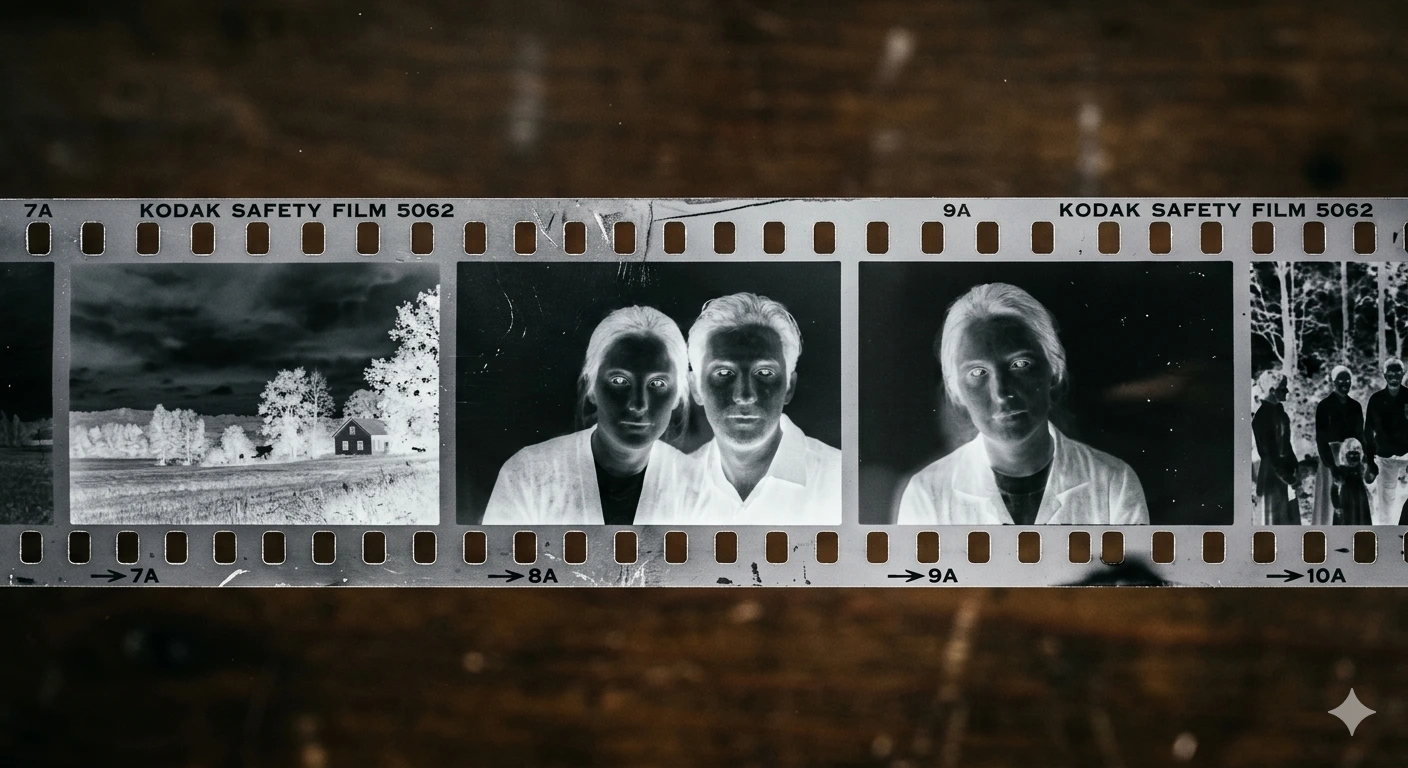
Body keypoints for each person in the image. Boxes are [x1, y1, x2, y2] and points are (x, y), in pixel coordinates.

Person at [897, 283, 1149, 525]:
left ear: (1054, 372)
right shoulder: (927, 494)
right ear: (956, 391)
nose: (1002, 391)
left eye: (1020, 365)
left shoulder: (1114, 483)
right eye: (978, 372)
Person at [637, 293, 841, 524]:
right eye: (724, 373)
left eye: (764, 373)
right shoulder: (668, 492)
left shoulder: (840, 482)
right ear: (696, 388)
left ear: (788, 387)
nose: (744, 395)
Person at [482, 306, 692, 525]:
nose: (638, 404)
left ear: (677, 394)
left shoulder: (700, 486)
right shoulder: (527, 474)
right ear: (591, 387)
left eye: (657, 383)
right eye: (620, 381)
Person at [1312, 365, 1364, 527]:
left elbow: (1360, 437)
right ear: (1333, 382)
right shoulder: (1324, 405)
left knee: (1350, 502)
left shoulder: (1356, 406)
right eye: (1340, 381)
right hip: (1331, 456)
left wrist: (1362, 460)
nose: (1344, 384)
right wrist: (1332, 466)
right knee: (1331, 501)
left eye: (1347, 381)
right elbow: (1321, 439)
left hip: (1351, 457)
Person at [1363, 357, 1408, 524]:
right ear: (1384, 375)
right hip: (1385, 459)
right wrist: (1369, 461)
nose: (1394, 376)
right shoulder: (1376, 399)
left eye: (1398, 372)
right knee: (1386, 506)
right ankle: (1386, 541)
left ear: (1403, 374)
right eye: (1390, 372)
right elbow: (1368, 433)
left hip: (1407, 456)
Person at [1253, 371, 1299, 525]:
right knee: (1276, 522)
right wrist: (1289, 478)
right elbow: (1271, 453)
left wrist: (1294, 466)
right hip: (1273, 475)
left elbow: (1286, 444)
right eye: (1283, 388)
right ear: (1272, 390)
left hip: (1284, 471)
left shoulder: (1279, 413)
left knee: (1289, 520)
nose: (1287, 391)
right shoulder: (1263, 416)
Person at [1331, 438, 1373, 526]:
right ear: (1344, 455)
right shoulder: (1341, 470)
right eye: (1351, 455)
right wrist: (1336, 505)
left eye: (1356, 455)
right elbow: (1334, 489)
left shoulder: (1361, 468)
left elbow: (1367, 482)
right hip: (1346, 500)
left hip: (1360, 500)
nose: (1354, 458)